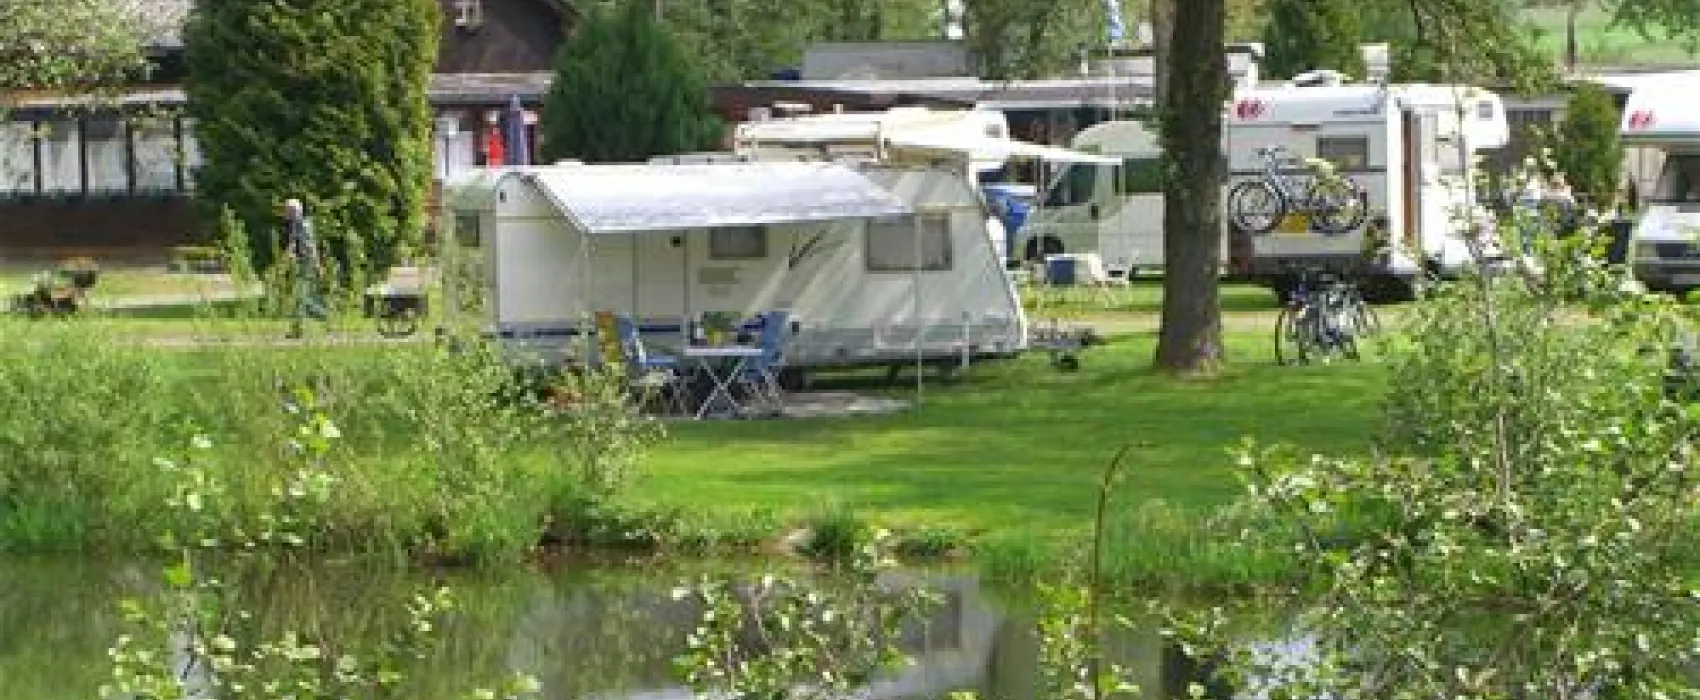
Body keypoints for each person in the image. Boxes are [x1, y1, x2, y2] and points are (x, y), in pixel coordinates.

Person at [283, 198, 328, 338]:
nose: (285, 212)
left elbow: (311, 247)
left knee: (301, 297)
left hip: (307, 264)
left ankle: (324, 316)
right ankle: (323, 316)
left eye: (287, 209)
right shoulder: (296, 225)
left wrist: (317, 265)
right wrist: (289, 255)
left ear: (295, 211)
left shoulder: (304, 225)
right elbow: (293, 243)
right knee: (301, 297)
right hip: (302, 262)